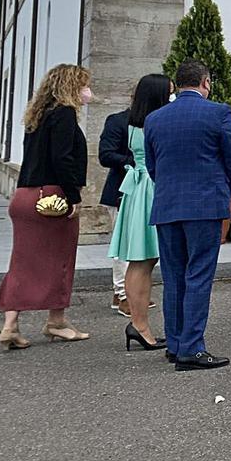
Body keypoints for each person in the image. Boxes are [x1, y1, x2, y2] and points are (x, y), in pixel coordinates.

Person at [144, 59, 231, 371]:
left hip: (168, 203)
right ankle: (191, 347)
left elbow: (152, 165)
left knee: (173, 276)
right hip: (204, 203)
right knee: (199, 274)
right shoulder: (218, 112)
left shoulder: (155, 118)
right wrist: (222, 188)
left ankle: (175, 343)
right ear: (206, 82)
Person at [0, 64, 92, 349]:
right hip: (50, 196)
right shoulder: (63, 115)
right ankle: (57, 321)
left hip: (24, 196)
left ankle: (10, 325)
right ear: (71, 86)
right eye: (83, 85)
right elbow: (62, 159)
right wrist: (73, 196)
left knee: (22, 262)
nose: (87, 92)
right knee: (61, 259)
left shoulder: (37, 117)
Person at [108, 73, 173, 352]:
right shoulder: (155, 123)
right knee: (143, 260)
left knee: (141, 260)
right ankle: (139, 323)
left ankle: (139, 322)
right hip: (151, 187)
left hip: (138, 189)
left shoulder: (134, 123)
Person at [99, 102, 135, 317]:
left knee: (137, 247)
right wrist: (133, 161)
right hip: (120, 191)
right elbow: (106, 155)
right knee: (124, 247)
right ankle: (123, 294)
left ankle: (124, 291)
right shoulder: (118, 121)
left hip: (145, 191)